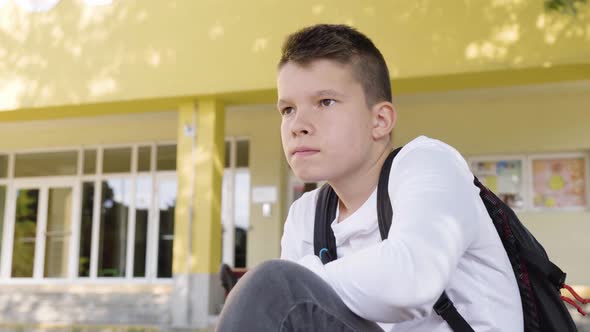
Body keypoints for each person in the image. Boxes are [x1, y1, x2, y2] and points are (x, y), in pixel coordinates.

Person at [216, 24, 523, 332]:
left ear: (380, 120)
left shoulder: (428, 163)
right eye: (287, 109)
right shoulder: (306, 213)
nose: (298, 125)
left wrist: (297, 280)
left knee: (272, 284)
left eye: (325, 102)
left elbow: (410, 281)